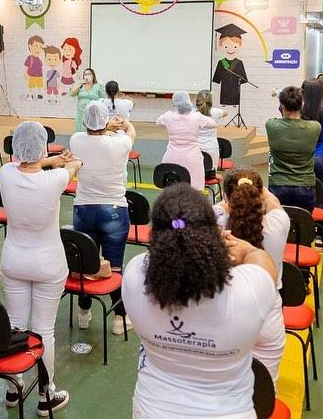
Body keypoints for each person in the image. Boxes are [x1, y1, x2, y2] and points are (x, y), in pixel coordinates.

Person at [121, 184, 278, 419]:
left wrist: (199, 240)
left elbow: (160, 252)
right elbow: (262, 260)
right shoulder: (247, 291)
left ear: (153, 235)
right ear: (215, 233)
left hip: (151, 410)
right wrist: (242, 249)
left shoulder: (134, 276)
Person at [0, 122, 82, 416]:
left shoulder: (6, 174)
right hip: (48, 263)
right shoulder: (56, 179)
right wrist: (69, 160)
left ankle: (13, 387)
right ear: (43, 148)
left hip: (14, 260)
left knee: (16, 324)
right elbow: (73, 166)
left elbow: (25, 161)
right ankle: (47, 395)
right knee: (44, 330)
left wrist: (50, 159)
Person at [214, 169, 288, 384]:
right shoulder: (278, 224)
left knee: (225, 383)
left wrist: (228, 202)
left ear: (227, 196)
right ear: (260, 194)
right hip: (268, 317)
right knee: (265, 386)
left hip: (224, 313)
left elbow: (205, 212)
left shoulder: (215, 222)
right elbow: (274, 203)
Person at [69, 102, 137, 334]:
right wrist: (123, 123)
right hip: (114, 210)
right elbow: (131, 133)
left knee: (86, 263)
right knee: (115, 266)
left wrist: (107, 125)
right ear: (105, 122)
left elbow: (92, 133)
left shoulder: (76, 140)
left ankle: (84, 312)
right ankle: (119, 318)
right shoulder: (119, 143)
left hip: (84, 210)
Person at [266, 87, 321, 212]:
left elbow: (282, 116)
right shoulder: (315, 127)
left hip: (278, 185)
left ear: (282, 106)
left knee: (279, 227)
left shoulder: (271, 125)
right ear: (302, 104)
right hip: (305, 186)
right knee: (302, 224)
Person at [156, 92, 217, 190]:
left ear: (174, 103)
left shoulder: (168, 116)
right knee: (193, 191)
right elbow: (213, 124)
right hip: (192, 159)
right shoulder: (196, 117)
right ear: (188, 101)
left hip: (171, 158)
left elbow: (158, 122)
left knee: (171, 190)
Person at [211, 23, 249, 106]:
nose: (230, 49)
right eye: (226, 46)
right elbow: (216, 78)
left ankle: (235, 103)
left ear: (239, 46)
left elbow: (243, 78)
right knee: (225, 93)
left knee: (234, 95)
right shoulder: (221, 62)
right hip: (225, 86)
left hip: (235, 87)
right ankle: (224, 103)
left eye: (235, 46)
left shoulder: (239, 63)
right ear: (221, 46)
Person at [195, 90, 225, 178]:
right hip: (212, 148)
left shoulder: (193, 114)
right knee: (213, 173)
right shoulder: (216, 112)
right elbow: (226, 112)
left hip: (196, 148)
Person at [69, 68, 107, 133]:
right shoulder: (80, 85)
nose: (87, 76)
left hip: (93, 113)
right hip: (81, 113)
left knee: (91, 132)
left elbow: (104, 98)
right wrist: (80, 84)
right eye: (85, 74)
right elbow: (72, 93)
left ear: (93, 76)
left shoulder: (98, 86)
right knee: (80, 132)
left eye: (89, 74)